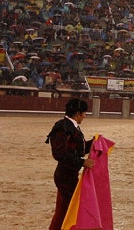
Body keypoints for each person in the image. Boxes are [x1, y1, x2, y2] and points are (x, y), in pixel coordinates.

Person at [47, 98, 94, 230]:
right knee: (71, 210)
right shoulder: (62, 128)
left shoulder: (71, 127)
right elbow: (60, 154)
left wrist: (94, 143)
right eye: (84, 113)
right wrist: (82, 162)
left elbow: (80, 150)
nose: (85, 116)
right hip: (64, 177)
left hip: (68, 176)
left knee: (63, 211)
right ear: (78, 113)